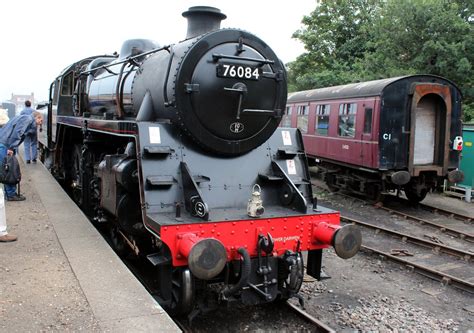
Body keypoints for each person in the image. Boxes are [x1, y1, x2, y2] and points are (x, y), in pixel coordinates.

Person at [0, 111, 43, 201]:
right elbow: (18, 132)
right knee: (9, 169)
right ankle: (11, 194)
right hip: (6, 144)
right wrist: (11, 148)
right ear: (37, 117)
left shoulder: (24, 117)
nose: (40, 123)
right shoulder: (27, 119)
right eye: (41, 120)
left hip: (4, 142)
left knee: (7, 168)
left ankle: (9, 193)